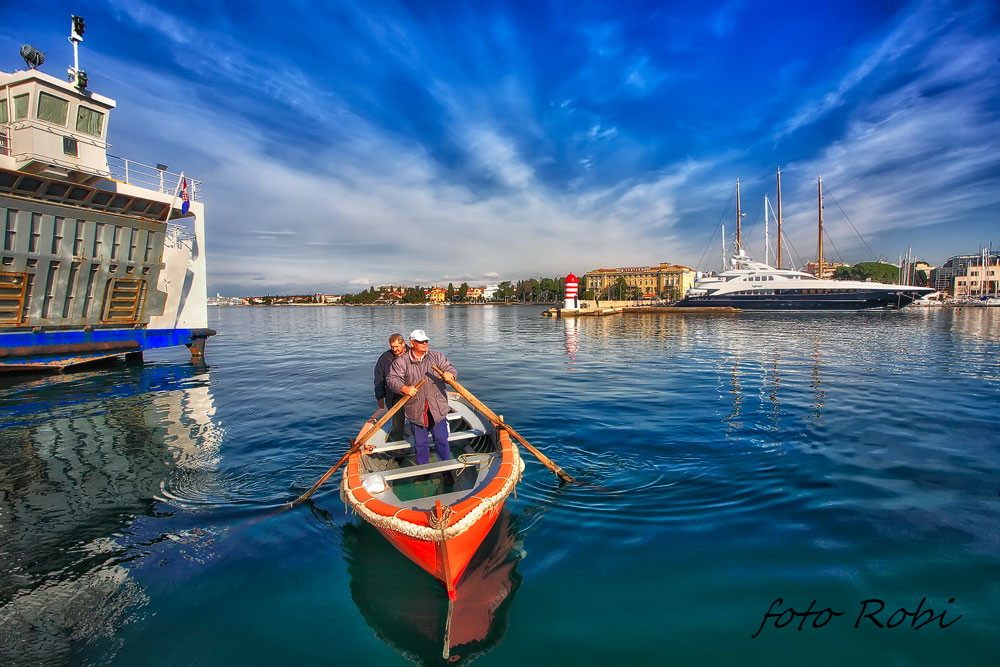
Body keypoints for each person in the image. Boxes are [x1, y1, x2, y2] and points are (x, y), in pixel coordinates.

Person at [387, 329, 456, 466]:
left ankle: (446, 470)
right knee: (420, 444)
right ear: (412, 343)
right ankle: (423, 471)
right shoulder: (401, 361)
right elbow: (392, 379)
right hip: (416, 409)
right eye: (420, 341)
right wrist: (404, 388)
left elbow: (450, 368)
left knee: (442, 440)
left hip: (437, 407)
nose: (424, 344)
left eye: (426, 341)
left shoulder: (437, 356)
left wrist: (450, 374)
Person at [373, 333, 408, 442]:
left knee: (420, 421)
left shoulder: (413, 353)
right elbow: (379, 378)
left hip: (413, 393)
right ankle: (399, 450)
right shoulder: (385, 358)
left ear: (403, 344)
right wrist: (379, 397)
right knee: (397, 424)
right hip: (393, 395)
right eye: (392, 347)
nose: (394, 349)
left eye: (397, 346)